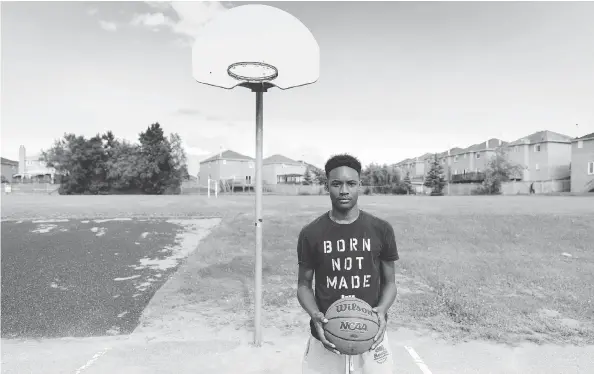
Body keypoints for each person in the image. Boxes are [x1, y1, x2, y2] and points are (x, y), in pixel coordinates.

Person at [297, 154, 399, 374]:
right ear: (327, 186)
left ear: (359, 185)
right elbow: (303, 285)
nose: (344, 190)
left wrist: (381, 310)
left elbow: (390, 282)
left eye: (351, 184)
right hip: (327, 333)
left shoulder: (381, 229)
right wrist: (315, 315)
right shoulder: (310, 233)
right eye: (336, 184)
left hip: (371, 333)